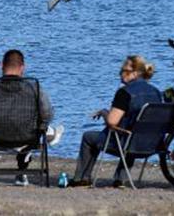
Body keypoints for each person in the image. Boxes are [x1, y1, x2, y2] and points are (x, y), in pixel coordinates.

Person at [0, 49, 63, 186]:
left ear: (1, 65)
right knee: (35, 127)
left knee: (22, 125)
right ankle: (50, 136)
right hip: (27, 139)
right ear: (22, 67)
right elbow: (48, 115)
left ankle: (21, 171)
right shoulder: (34, 88)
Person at [69, 55, 163, 188]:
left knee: (88, 137)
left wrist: (103, 112)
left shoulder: (125, 93)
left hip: (126, 144)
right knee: (134, 131)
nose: (121, 74)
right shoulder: (157, 92)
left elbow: (112, 121)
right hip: (151, 145)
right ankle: (120, 179)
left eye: (124, 71)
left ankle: (81, 178)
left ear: (135, 73)